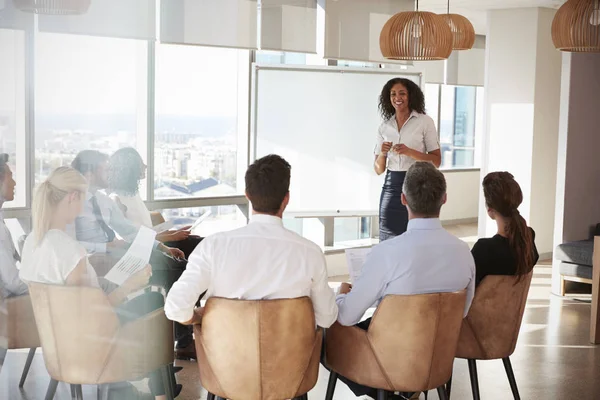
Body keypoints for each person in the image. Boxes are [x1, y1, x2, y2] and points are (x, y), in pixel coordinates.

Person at [19, 166, 181, 399]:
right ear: (73, 197)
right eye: (83, 200)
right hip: (92, 345)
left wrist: (103, 281)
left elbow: (72, 299)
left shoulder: (31, 244)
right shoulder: (70, 251)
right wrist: (129, 286)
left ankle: (128, 388)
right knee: (153, 301)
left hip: (58, 345)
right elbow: (92, 314)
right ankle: (159, 391)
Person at [333, 162, 475, 399]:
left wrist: (340, 295)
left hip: (387, 360)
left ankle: (390, 396)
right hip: (436, 357)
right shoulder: (464, 253)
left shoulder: (387, 253)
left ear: (403, 199)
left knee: (327, 330)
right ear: (445, 199)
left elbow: (347, 317)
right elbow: (462, 312)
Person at [164, 154, 338, 328]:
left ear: (247, 195)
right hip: (292, 354)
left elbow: (175, 307)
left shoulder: (212, 247)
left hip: (225, 354)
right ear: (286, 199)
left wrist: (198, 318)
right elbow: (327, 318)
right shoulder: (311, 252)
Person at [69, 150, 195, 360]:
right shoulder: (72, 203)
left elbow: (130, 230)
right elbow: (69, 245)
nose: (110, 173)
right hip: (94, 262)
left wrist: (163, 247)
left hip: (116, 256)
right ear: (90, 174)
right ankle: (176, 339)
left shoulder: (103, 200)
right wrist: (103, 247)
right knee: (174, 271)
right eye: (105, 169)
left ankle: (172, 340)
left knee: (177, 264)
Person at [374, 78, 442, 241]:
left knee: (416, 236)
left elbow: (436, 161)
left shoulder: (425, 121)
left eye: (402, 93)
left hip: (418, 184)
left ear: (410, 95)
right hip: (392, 185)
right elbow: (378, 169)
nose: (397, 97)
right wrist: (382, 154)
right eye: (393, 94)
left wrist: (410, 152)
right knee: (388, 235)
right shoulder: (385, 126)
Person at [107, 147, 203, 259]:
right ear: (129, 169)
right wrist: (172, 237)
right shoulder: (116, 199)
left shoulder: (133, 195)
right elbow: (130, 240)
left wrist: (174, 233)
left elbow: (147, 231)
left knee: (199, 242)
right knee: (199, 247)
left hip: (155, 244)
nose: (145, 166)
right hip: (147, 253)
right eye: (140, 163)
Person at [471, 172, 539, 285]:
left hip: (484, 303)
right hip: (516, 303)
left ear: (489, 209)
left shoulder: (484, 249)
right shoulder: (528, 238)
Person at [0, 154, 28, 298]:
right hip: (9, 306)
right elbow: (13, 283)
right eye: (10, 177)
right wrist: (44, 286)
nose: (15, 183)